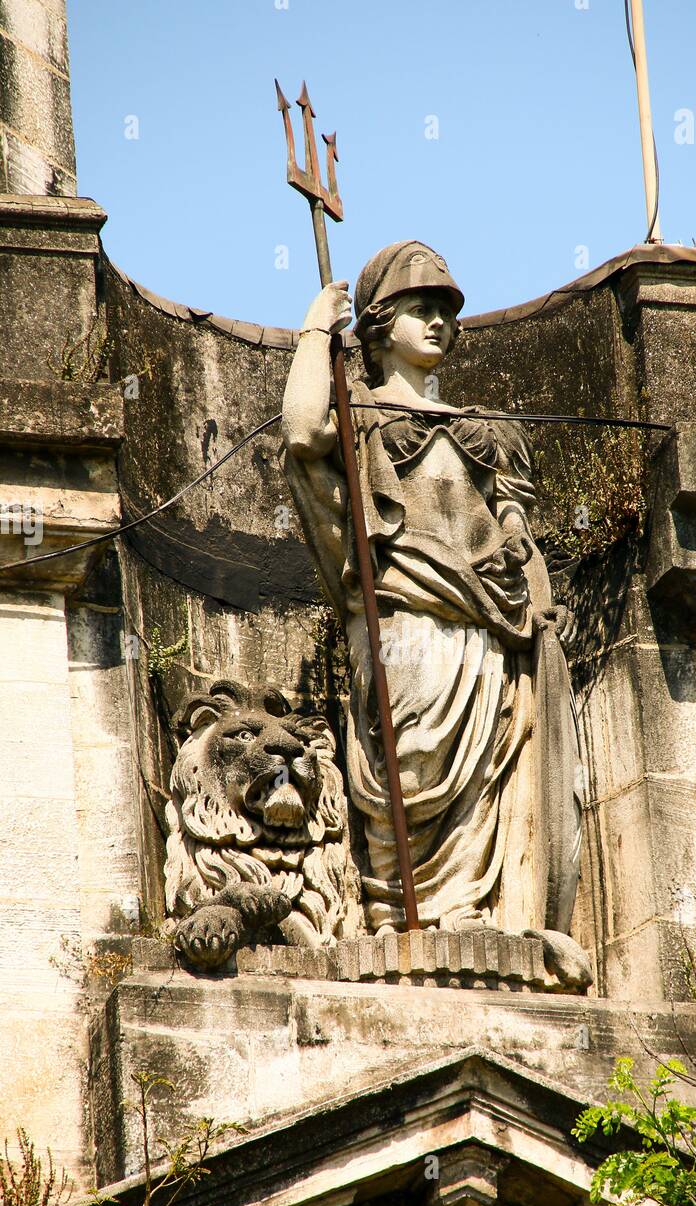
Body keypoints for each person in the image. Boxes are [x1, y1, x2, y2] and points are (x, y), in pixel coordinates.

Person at [282, 241, 590, 987]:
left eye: (447, 311)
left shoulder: (485, 429)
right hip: (404, 617)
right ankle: (396, 916)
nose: (439, 323)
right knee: (405, 765)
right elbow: (299, 434)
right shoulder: (359, 417)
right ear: (381, 324)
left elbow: (512, 514)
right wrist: (318, 330)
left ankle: (466, 913)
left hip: (488, 620)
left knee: (483, 770)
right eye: (421, 309)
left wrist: (515, 542)